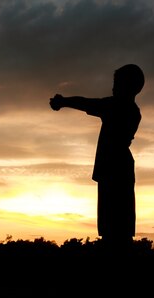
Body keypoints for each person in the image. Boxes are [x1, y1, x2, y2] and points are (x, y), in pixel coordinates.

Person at [49, 64, 144, 251]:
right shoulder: (131, 110)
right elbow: (89, 103)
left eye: (117, 84)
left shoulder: (118, 107)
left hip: (114, 170)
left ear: (128, 86)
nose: (113, 88)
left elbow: (86, 102)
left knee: (115, 229)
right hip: (117, 169)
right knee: (116, 228)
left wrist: (63, 101)